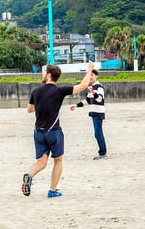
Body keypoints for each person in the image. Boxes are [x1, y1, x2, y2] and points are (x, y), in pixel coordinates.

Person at [22, 61, 94, 198]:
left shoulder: (36, 92)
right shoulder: (59, 91)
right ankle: (52, 190)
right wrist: (89, 69)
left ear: (49, 75)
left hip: (38, 132)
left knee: (41, 162)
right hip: (54, 132)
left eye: (44, 72)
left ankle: (29, 176)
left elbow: (29, 109)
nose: (43, 75)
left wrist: (42, 104)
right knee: (58, 160)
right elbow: (83, 86)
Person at [70, 69, 107, 160]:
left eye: (92, 75)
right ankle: (102, 152)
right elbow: (87, 101)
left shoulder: (99, 87)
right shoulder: (92, 87)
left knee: (98, 133)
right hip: (94, 113)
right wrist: (76, 105)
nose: (90, 77)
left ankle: (103, 153)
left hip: (98, 112)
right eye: (89, 75)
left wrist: (94, 92)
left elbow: (100, 99)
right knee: (97, 133)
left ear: (97, 76)